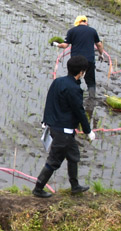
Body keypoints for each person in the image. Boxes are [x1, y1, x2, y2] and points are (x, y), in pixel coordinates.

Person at [32, 55, 94, 198]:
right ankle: (38, 188)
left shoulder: (58, 82)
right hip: (63, 131)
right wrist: (88, 131)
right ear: (81, 72)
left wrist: (45, 120)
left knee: (73, 156)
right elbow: (79, 111)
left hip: (57, 128)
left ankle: (75, 186)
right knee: (54, 160)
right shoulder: (74, 88)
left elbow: (49, 101)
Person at [54, 16, 105, 97]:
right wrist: (101, 54)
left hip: (75, 61)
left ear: (77, 22)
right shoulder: (92, 31)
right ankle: (92, 97)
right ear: (86, 22)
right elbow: (99, 44)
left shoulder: (72, 31)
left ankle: (72, 94)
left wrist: (56, 44)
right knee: (91, 80)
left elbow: (65, 45)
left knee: (72, 79)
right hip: (89, 60)